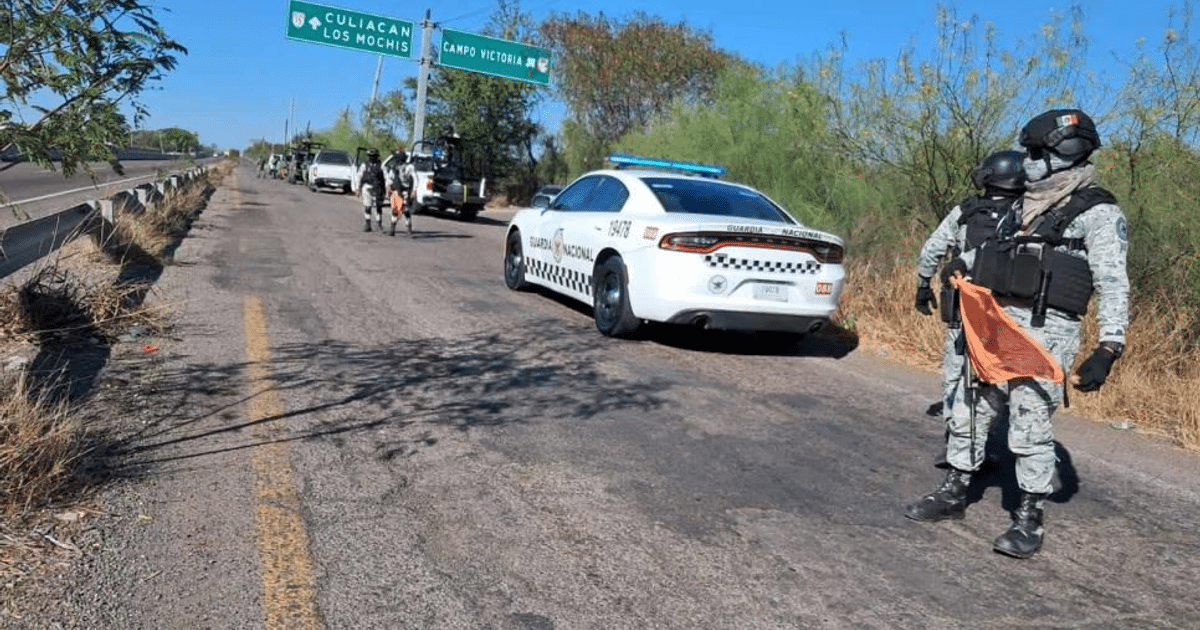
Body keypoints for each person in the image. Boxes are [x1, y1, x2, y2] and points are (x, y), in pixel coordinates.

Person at [905, 108, 1130, 560]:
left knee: (1029, 422)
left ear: (1064, 153)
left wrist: (1109, 345)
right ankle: (955, 489)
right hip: (993, 321)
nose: (1026, 161)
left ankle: (1029, 516)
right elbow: (991, 250)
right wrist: (960, 266)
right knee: (970, 406)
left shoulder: (1098, 211)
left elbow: (1113, 280)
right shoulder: (1023, 202)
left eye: (1034, 153)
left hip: (1046, 331)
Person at [914, 150, 1026, 469]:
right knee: (999, 380)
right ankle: (987, 442)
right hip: (1010, 312)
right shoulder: (1031, 214)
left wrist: (923, 284)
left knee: (956, 377)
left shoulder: (967, 210)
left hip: (966, 308)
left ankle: (958, 442)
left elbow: (933, 249)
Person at [358, 148, 386, 232]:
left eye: (373, 156)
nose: (372, 158)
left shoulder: (381, 166)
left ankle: (379, 223)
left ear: (377, 156)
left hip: (378, 187)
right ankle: (368, 224)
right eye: (370, 156)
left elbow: (386, 176)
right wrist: (357, 188)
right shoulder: (364, 165)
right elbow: (359, 176)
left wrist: (387, 187)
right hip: (367, 186)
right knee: (367, 205)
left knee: (379, 206)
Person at [385, 149, 410, 237]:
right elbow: (389, 179)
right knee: (395, 209)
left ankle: (408, 227)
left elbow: (413, 179)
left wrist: (413, 190)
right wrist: (388, 187)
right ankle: (392, 229)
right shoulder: (394, 168)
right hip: (396, 191)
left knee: (405, 209)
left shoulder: (408, 167)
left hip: (405, 191)